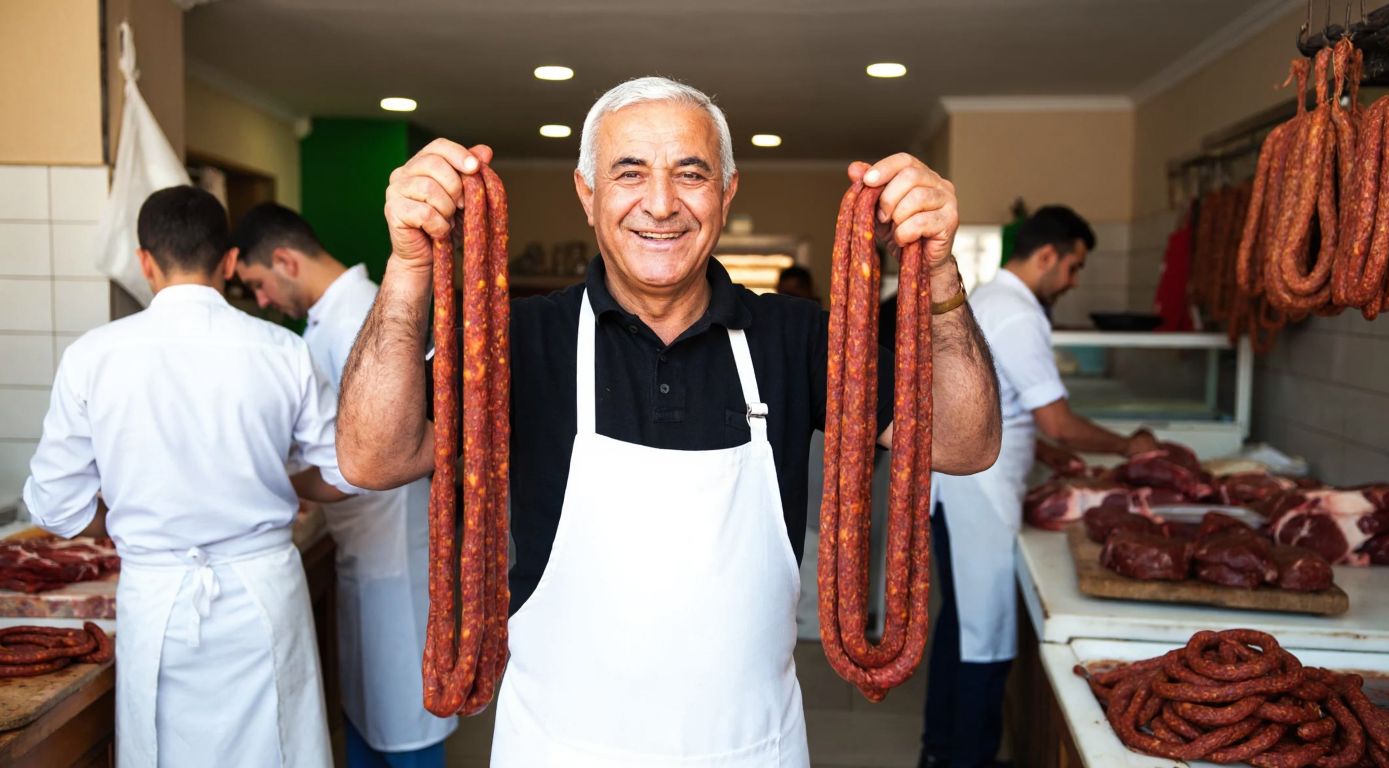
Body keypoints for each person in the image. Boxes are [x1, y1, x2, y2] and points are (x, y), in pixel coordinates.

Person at [337, 76, 1002, 767]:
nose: (660, 204)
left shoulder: (799, 338)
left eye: (691, 173)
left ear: (727, 192)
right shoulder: (513, 341)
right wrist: (408, 266)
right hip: (558, 749)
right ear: (588, 195)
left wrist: (943, 275)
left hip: (752, 750)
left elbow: (964, 444)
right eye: (630, 174)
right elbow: (370, 459)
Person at [23, 186, 358, 767]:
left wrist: (127, 520)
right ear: (229, 262)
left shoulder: (93, 355)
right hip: (264, 590)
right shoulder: (282, 350)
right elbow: (345, 471)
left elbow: (56, 507)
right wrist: (276, 480)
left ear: (144, 261)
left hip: (157, 597)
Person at [920, 205, 1158, 768]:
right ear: (1046, 255)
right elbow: (1055, 418)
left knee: (962, 628)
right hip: (978, 495)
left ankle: (939, 753)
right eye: (1073, 267)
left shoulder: (994, 299)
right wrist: (1131, 447)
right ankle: (966, 759)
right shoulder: (1017, 314)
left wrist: (1052, 456)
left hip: (961, 491)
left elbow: (1004, 410)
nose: (1074, 281)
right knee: (984, 638)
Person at [230, 203, 457, 767]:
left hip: (395, 551)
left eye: (258, 285)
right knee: (368, 716)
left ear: (285, 260)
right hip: (363, 549)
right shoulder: (325, 320)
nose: (261, 302)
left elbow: (373, 453)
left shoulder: (362, 312)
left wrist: (264, 483)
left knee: (407, 724)